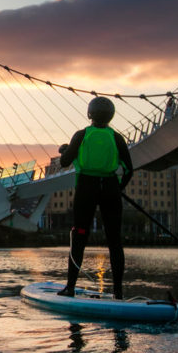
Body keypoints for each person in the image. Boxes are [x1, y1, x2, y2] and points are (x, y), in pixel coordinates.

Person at [56, 96, 133, 299]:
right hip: (110, 188)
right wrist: (118, 188)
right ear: (111, 116)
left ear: (89, 114)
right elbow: (129, 170)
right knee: (114, 240)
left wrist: (66, 150)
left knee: (79, 236)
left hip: (86, 188)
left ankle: (70, 288)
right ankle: (118, 292)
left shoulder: (81, 135)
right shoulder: (117, 138)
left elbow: (64, 162)